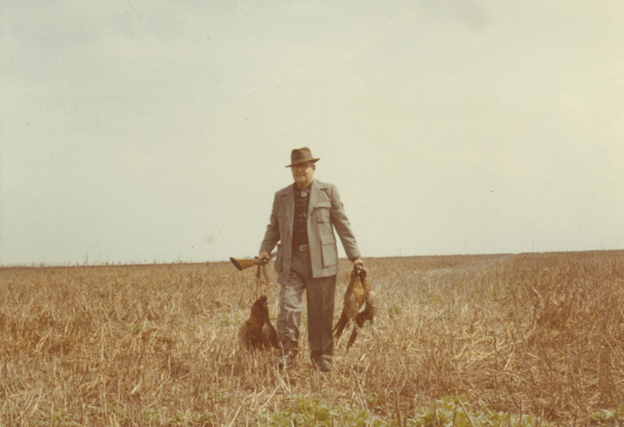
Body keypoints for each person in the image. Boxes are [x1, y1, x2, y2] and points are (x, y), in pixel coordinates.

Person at [259, 147, 364, 372]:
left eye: (304, 166)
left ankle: (322, 357)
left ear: (313, 168)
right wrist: (265, 249)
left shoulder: (329, 191)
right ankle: (288, 353)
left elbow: (343, 225)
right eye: (295, 166)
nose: (299, 170)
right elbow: (273, 227)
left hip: (322, 262)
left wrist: (355, 256)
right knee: (288, 307)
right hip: (291, 261)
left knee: (321, 312)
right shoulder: (281, 196)